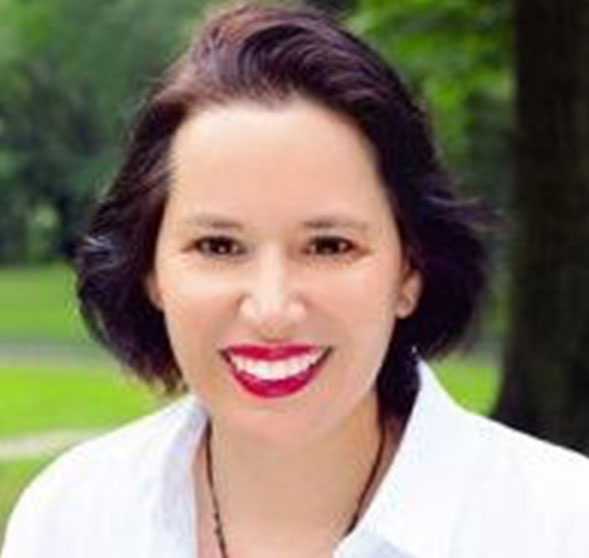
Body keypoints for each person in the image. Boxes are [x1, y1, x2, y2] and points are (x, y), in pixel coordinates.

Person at [3, 2, 589, 557]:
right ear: (151, 270)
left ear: (410, 269)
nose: (273, 308)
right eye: (218, 245)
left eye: (330, 246)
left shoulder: (558, 525)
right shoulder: (70, 519)